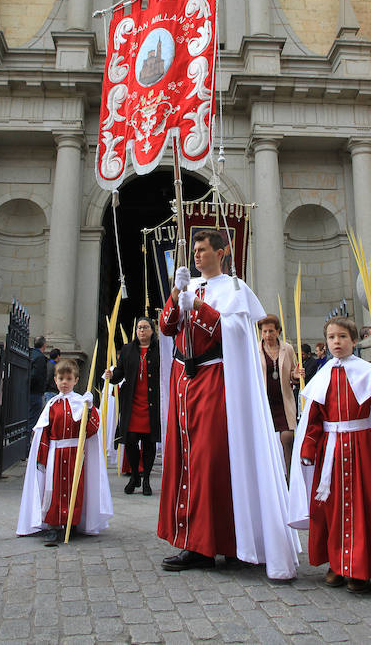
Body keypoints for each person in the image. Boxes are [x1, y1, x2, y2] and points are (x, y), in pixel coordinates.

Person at [158, 230, 299, 579]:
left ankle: (225, 541)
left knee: (210, 458)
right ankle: (194, 542)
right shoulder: (188, 286)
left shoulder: (235, 288)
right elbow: (167, 328)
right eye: (194, 250)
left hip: (214, 379)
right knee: (186, 458)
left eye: (203, 250)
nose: (196, 255)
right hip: (184, 381)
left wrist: (200, 308)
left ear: (221, 252)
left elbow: (233, 333)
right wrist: (176, 296)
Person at [288, 317, 371, 593]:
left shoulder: (367, 372)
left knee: (361, 506)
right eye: (331, 337)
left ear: (353, 341)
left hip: (360, 447)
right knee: (333, 508)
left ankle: (360, 568)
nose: (336, 342)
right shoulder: (322, 375)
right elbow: (313, 418)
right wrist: (308, 449)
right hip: (331, 452)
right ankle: (337, 565)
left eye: (342, 337)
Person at [17, 358, 112, 546]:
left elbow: (91, 430)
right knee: (53, 489)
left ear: (76, 380)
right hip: (56, 454)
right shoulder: (52, 404)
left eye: (69, 379)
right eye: (61, 378)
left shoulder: (81, 403)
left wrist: (90, 410)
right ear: (55, 380)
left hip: (75, 453)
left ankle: (72, 523)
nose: (64, 382)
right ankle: (53, 525)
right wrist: (42, 457)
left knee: (75, 489)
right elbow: (44, 432)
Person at [105, 317, 160, 496]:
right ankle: (135, 475)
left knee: (149, 442)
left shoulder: (159, 350)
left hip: (151, 403)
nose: (141, 330)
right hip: (132, 403)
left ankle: (146, 480)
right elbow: (120, 373)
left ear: (152, 330)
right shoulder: (128, 349)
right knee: (130, 440)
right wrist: (111, 376)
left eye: (145, 327)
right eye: (139, 327)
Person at [257, 314, 297, 479]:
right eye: (264, 331)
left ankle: (290, 478)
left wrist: (296, 375)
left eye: (271, 331)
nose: (268, 335)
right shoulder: (255, 350)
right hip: (264, 402)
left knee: (287, 438)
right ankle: (271, 479)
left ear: (278, 331)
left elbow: (293, 373)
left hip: (283, 400)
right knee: (266, 442)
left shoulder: (287, 349)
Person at [28, 335, 47, 439]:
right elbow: (36, 375)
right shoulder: (40, 357)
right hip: (35, 392)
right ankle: (28, 444)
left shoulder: (30, 354)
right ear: (44, 345)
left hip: (27, 391)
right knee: (32, 420)